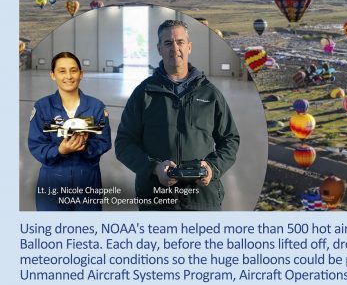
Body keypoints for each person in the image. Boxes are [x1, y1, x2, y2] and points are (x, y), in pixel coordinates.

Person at [115, 20, 240, 210]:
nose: (175, 48)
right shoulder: (144, 93)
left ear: (189, 46)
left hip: (201, 201)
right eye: (168, 43)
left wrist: (212, 169)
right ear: (159, 48)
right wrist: (154, 169)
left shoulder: (210, 94)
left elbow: (230, 140)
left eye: (180, 42)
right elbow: (123, 144)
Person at [28, 52, 112, 211]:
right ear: (52, 75)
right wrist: (59, 150)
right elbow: (36, 144)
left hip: (87, 181)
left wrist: (86, 147)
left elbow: (104, 142)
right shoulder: (42, 107)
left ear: (81, 74)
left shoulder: (96, 107)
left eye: (73, 70)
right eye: (61, 71)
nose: (68, 76)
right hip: (52, 181)